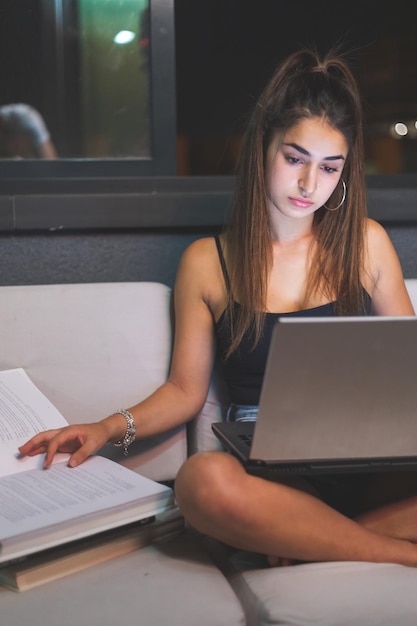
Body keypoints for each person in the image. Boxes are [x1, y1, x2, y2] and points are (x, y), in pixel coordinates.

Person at [19, 48, 417, 567]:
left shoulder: (368, 244)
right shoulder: (207, 262)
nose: (308, 184)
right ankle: (387, 550)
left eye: (329, 168)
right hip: (264, 477)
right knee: (201, 481)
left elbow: (406, 374)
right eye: (294, 158)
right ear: (263, 149)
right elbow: (185, 391)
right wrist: (104, 428)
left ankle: (312, 542)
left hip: (368, 467)